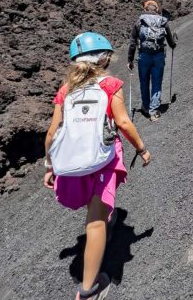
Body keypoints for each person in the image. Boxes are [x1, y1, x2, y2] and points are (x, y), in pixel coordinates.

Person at [43, 32, 151, 300]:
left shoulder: (65, 90)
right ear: (103, 58)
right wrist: (142, 149)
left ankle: (104, 221)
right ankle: (88, 289)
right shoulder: (110, 84)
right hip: (102, 161)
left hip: (70, 162)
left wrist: (49, 166)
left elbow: (52, 132)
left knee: (96, 215)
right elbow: (124, 123)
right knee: (95, 223)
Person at [127, 0, 177, 121]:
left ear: (145, 9)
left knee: (144, 82)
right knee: (156, 82)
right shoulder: (163, 21)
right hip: (158, 56)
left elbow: (133, 43)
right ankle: (153, 110)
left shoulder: (140, 22)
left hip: (144, 56)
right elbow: (170, 42)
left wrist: (130, 60)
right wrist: (174, 44)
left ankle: (145, 106)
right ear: (157, 9)